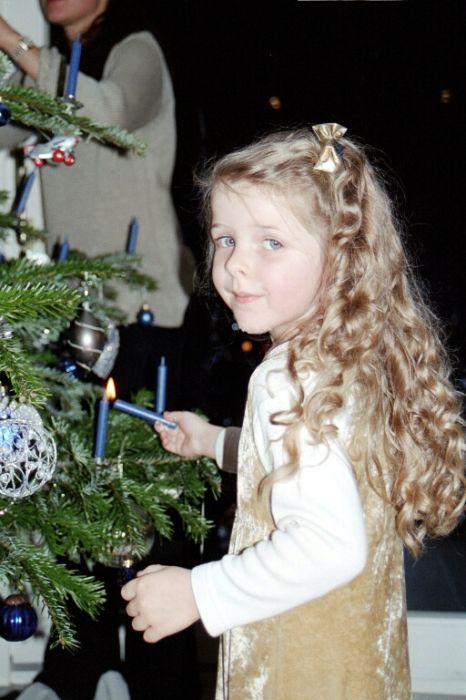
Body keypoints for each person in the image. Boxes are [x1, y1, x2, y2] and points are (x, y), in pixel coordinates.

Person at [121, 124, 466, 699]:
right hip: (356, 663)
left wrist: (199, 592)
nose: (236, 264)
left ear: (340, 256)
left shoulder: (286, 379)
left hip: (296, 669)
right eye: (225, 239)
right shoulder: (352, 358)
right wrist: (212, 441)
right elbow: (299, 465)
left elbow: (328, 545)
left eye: (271, 243)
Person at [0, 0, 193, 326]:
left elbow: (112, 113)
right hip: (74, 297)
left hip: (143, 299)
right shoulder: (47, 72)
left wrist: (11, 41)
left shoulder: (138, 50)